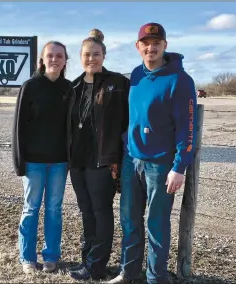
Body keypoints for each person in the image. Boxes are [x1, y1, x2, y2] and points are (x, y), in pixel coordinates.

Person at [109, 23, 197, 284]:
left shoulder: (180, 80)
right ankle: (129, 272)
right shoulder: (135, 75)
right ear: (138, 47)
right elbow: (132, 118)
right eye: (145, 43)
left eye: (156, 42)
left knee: (156, 224)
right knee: (129, 220)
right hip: (131, 160)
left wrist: (179, 166)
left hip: (161, 164)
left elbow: (187, 128)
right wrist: (125, 149)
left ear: (165, 46)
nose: (151, 47)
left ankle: (156, 277)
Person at [67, 28, 130, 281]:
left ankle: (96, 266)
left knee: (101, 211)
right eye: (86, 54)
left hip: (102, 161)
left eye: (95, 54)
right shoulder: (74, 87)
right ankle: (87, 261)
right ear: (79, 57)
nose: (91, 58)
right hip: (77, 162)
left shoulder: (118, 83)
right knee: (86, 211)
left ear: (103, 55)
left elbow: (129, 119)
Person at [12, 41, 73, 275]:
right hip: (33, 161)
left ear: (65, 60)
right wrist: (20, 161)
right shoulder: (30, 86)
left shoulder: (69, 89)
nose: (54, 59)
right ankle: (27, 256)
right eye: (50, 55)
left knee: (54, 208)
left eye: (59, 56)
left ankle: (50, 256)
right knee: (31, 208)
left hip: (59, 161)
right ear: (42, 59)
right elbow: (18, 127)